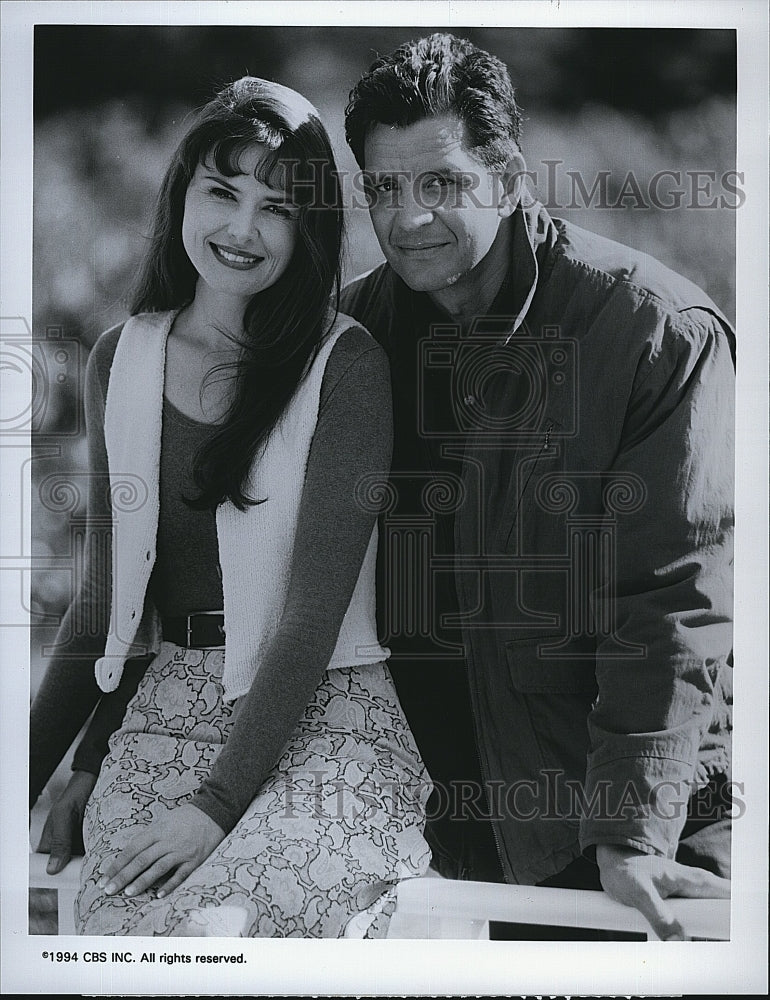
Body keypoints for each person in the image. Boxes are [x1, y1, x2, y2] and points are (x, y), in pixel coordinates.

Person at [338, 33, 734, 941]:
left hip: (640, 822)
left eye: (439, 183)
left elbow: (675, 597)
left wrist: (632, 831)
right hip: (439, 828)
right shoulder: (350, 339)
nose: (407, 220)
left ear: (509, 171)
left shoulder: (653, 332)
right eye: (383, 190)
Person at [29, 76, 431, 938]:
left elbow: (310, 618)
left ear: (309, 226)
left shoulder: (346, 366)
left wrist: (214, 807)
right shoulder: (120, 360)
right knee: (129, 935)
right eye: (222, 192)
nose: (242, 230)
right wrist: (59, 766)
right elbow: (108, 606)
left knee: (250, 915)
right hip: (165, 716)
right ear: (183, 194)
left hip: (327, 714)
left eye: (277, 207)